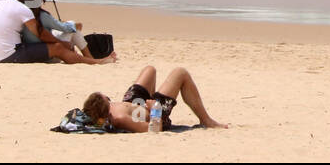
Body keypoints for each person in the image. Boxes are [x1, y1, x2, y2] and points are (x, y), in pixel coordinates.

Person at [0, 0, 115, 65]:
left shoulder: (0, 4)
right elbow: (40, 34)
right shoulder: (22, 9)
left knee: (57, 46)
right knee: (57, 48)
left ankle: (91, 60)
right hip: (10, 54)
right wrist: (60, 43)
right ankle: (95, 61)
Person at [81, 65, 226, 131]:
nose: (108, 98)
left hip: (133, 103)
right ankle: (206, 120)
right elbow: (153, 129)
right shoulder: (120, 118)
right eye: (106, 98)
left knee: (150, 70)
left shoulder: (107, 109)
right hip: (150, 112)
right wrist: (153, 110)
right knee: (180, 73)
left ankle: (156, 95)